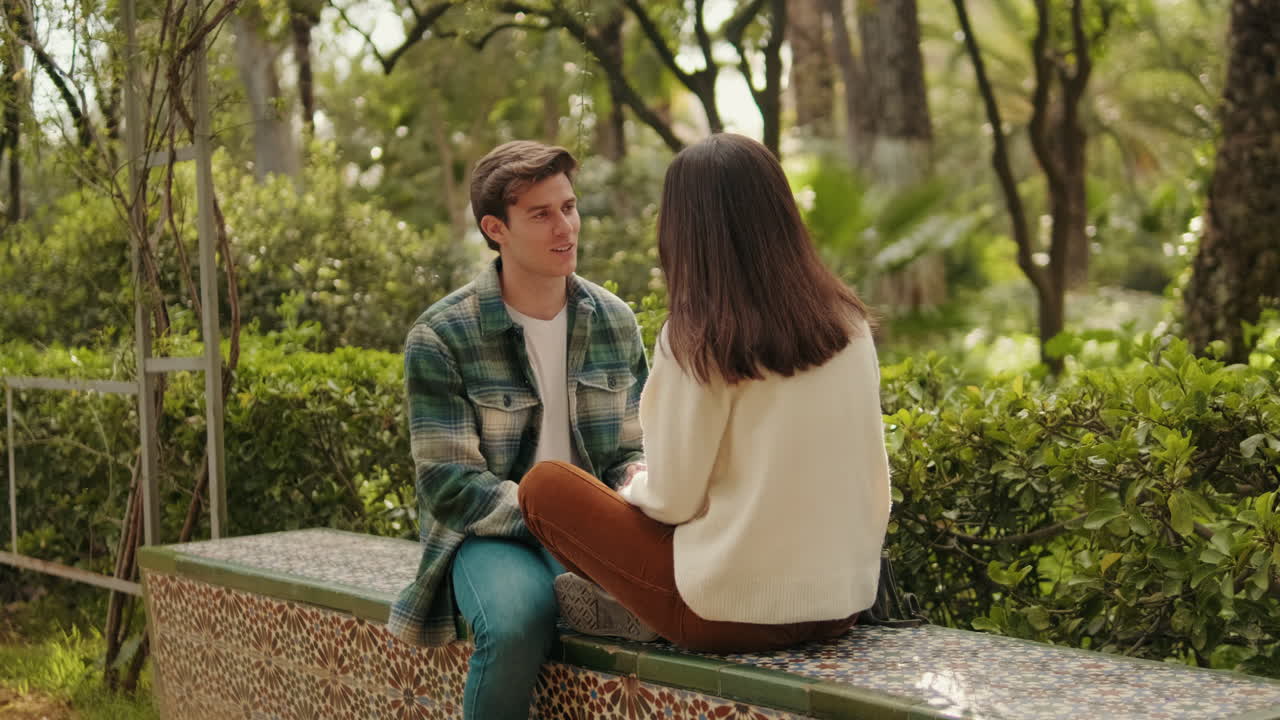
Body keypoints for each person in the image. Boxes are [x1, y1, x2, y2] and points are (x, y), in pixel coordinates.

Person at [518, 133, 891, 654]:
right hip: (842, 605)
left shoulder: (701, 336)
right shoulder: (850, 324)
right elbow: (876, 483)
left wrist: (634, 488)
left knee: (546, 488)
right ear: (780, 213)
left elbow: (672, 501)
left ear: (684, 229)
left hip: (726, 615)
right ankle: (636, 607)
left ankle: (643, 608)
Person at [387, 140, 648, 719]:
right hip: (485, 534)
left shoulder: (614, 322)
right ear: (494, 228)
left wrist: (634, 487)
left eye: (570, 207)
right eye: (541, 214)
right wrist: (558, 524)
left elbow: (632, 448)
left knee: (655, 612)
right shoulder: (442, 337)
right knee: (515, 621)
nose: (566, 227)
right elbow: (450, 484)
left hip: (594, 525)